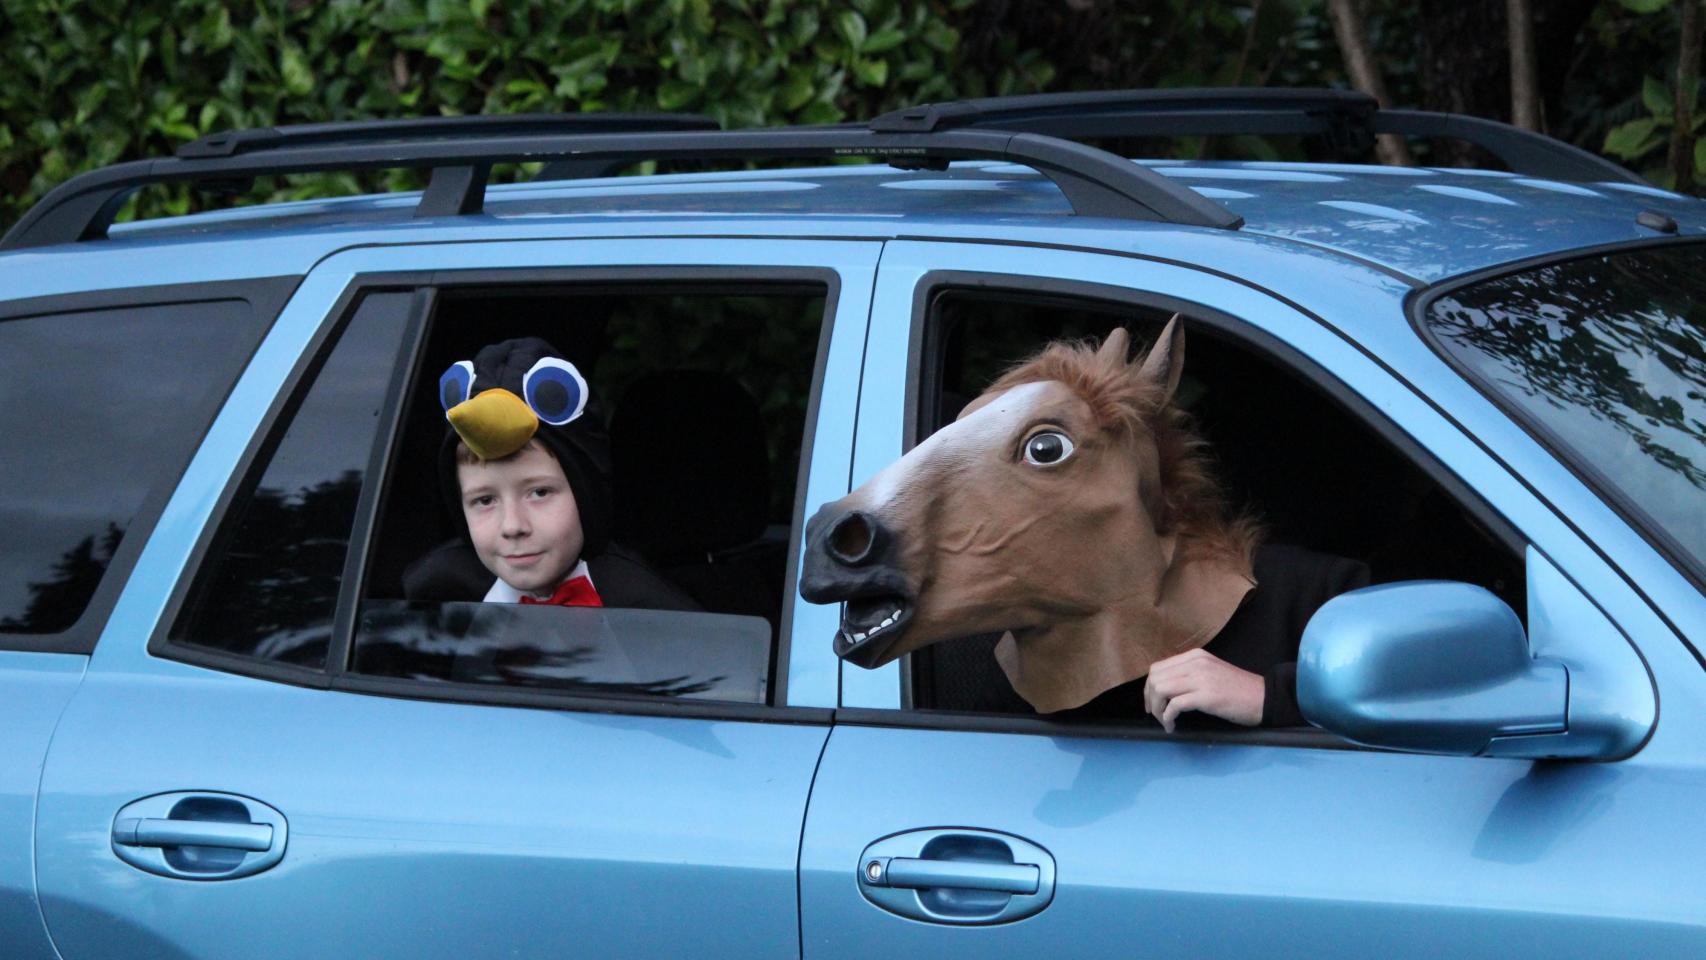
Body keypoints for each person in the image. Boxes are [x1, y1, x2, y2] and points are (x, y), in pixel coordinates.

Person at [402, 337, 698, 611]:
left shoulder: (646, 605)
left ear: (587, 496)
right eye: (484, 500)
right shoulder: (437, 597)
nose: (513, 526)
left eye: (539, 493)